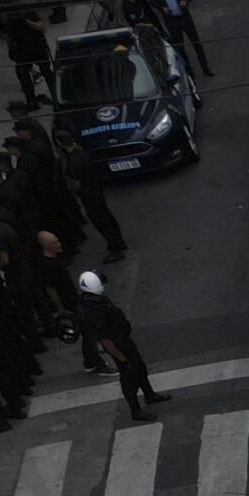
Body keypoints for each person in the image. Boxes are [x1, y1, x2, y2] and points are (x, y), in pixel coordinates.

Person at [76, 272, 168, 420]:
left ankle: (149, 394)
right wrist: (123, 360)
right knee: (129, 378)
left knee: (140, 368)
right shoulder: (93, 311)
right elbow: (106, 340)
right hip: (119, 347)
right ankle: (135, 410)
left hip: (124, 341)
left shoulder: (97, 300)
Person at [53, 130, 123, 263]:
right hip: (94, 189)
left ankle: (115, 248)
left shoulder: (74, 159)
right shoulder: (80, 152)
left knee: (100, 220)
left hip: (88, 193)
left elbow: (76, 182)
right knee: (106, 216)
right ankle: (118, 242)